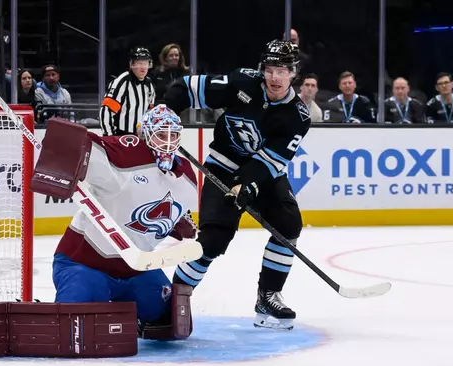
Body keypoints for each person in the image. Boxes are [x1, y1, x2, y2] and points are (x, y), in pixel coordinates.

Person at [163, 40, 311, 330]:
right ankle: (173, 300)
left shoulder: (297, 116)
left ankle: (267, 297)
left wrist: (247, 187)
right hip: (223, 166)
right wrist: (167, 113)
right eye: (270, 70)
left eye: (282, 71)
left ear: (294, 73)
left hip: (263, 174)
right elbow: (186, 88)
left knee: (288, 223)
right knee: (213, 241)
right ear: (262, 70)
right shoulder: (242, 82)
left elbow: (270, 162)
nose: (275, 78)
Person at [35, 104, 198, 333]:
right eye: (161, 134)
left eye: (173, 135)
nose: (168, 142)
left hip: (135, 269)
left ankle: (137, 314)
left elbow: (165, 209)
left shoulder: (186, 177)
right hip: (84, 264)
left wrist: (177, 223)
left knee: (171, 325)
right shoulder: (127, 156)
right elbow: (87, 147)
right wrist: (62, 145)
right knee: (73, 328)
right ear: (145, 133)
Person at [99, 47, 156, 136]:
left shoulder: (149, 85)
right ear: (132, 64)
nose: (143, 67)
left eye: (146, 63)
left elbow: (150, 113)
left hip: (142, 137)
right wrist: (109, 136)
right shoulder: (122, 82)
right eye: (140, 63)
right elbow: (107, 110)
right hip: (121, 136)